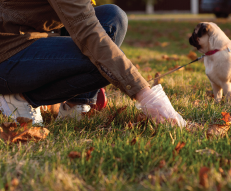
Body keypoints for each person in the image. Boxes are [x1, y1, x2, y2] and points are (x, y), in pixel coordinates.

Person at [0, 0, 186, 127]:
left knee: (112, 17)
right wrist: (145, 95)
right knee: (102, 62)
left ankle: (76, 104)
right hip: (6, 51)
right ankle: (22, 96)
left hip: (28, 36)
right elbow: (88, 33)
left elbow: (75, 17)